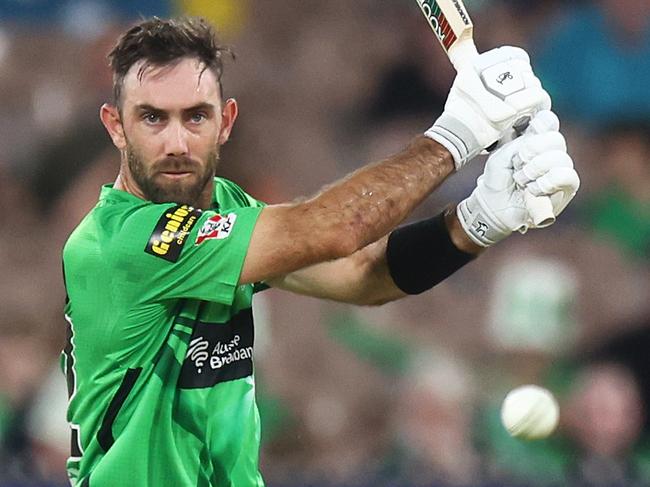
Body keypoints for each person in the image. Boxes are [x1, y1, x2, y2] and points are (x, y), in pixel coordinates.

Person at [61, 16, 579, 487]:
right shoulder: (123, 242)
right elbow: (335, 229)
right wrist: (459, 133)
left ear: (226, 121)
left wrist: (480, 218)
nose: (176, 142)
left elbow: (360, 275)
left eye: (195, 117)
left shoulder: (224, 206)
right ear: (115, 125)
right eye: (152, 118)